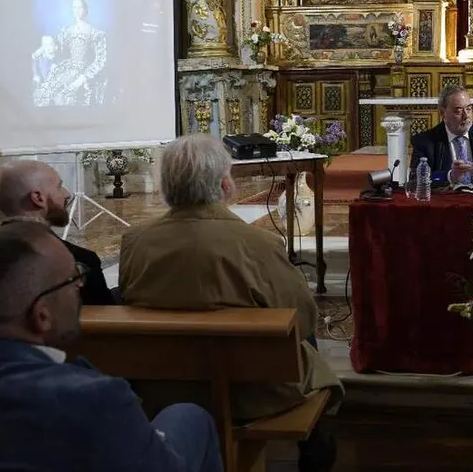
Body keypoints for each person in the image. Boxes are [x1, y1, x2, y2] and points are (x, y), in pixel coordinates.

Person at [0, 221, 221, 472]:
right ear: (41, 315)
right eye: (73, 278)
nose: (80, 287)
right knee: (189, 417)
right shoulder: (94, 399)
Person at [119, 134, 342, 469]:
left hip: (163, 391)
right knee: (303, 348)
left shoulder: (135, 242)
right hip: (250, 393)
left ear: (166, 186)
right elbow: (304, 319)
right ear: (225, 185)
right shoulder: (258, 244)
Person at [0, 159, 115, 306]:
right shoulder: (78, 261)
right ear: (38, 198)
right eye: (59, 186)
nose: (67, 193)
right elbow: (104, 319)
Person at [409, 84, 473, 185]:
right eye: (458, 111)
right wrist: (449, 176)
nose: (466, 116)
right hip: (446, 199)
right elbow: (417, 179)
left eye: (468, 109)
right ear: (443, 113)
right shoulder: (425, 141)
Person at [34, 0, 108, 107]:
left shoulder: (95, 33)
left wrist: (82, 79)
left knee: (65, 95)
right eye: (74, 7)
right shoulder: (67, 30)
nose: (77, 10)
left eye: (80, 7)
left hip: (84, 70)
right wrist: (42, 50)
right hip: (68, 67)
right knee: (45, 92)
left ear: (86, 10)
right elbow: (59, 49)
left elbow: (100, 60)